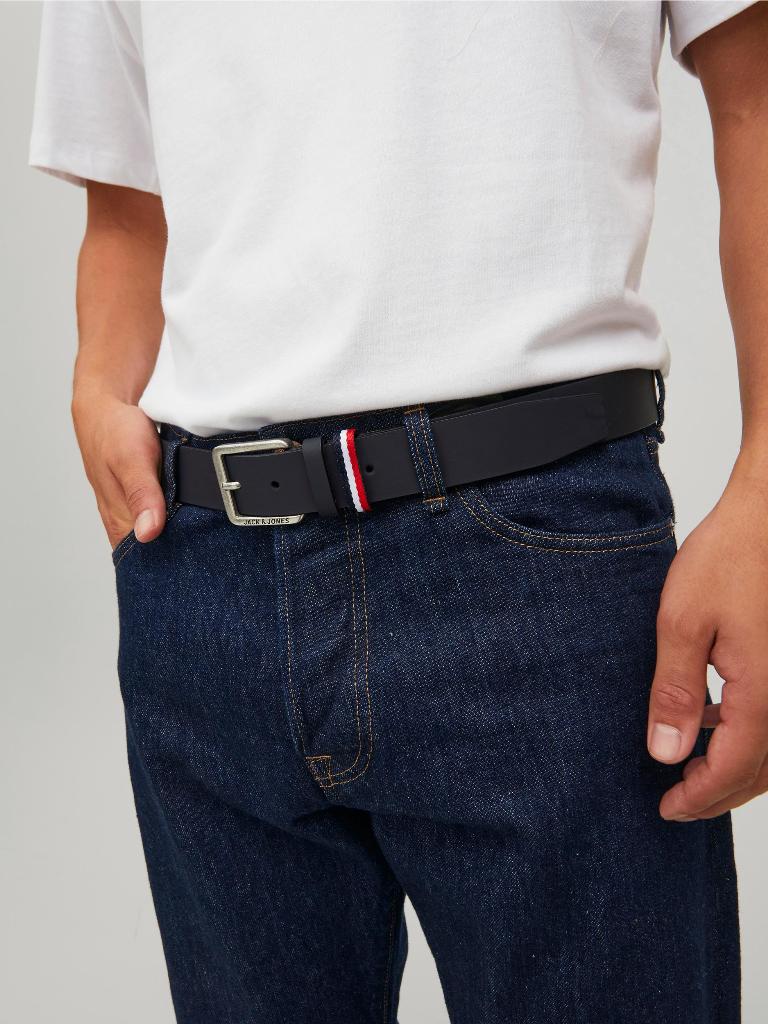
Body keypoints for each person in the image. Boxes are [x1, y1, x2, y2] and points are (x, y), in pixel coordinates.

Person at [30, 2, 768, 1021]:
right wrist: (99, 388)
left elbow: (755, 94)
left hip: (538, 565)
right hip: (206, 576)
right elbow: (127, 198)